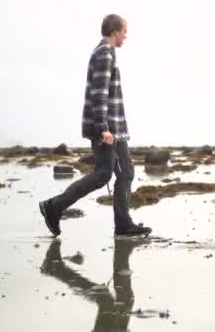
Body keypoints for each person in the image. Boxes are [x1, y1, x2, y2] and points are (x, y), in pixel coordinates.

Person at [38, 14, 152, 237]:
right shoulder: (104, 55)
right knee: (103, 174)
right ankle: (54, 207)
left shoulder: (107, 53)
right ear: (115, 31)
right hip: (108, 127)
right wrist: (103, 128)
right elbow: (98, 95)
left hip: (114, 127)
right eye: (124, 31)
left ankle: (123, 224)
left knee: (125, 171)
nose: (126, 36)